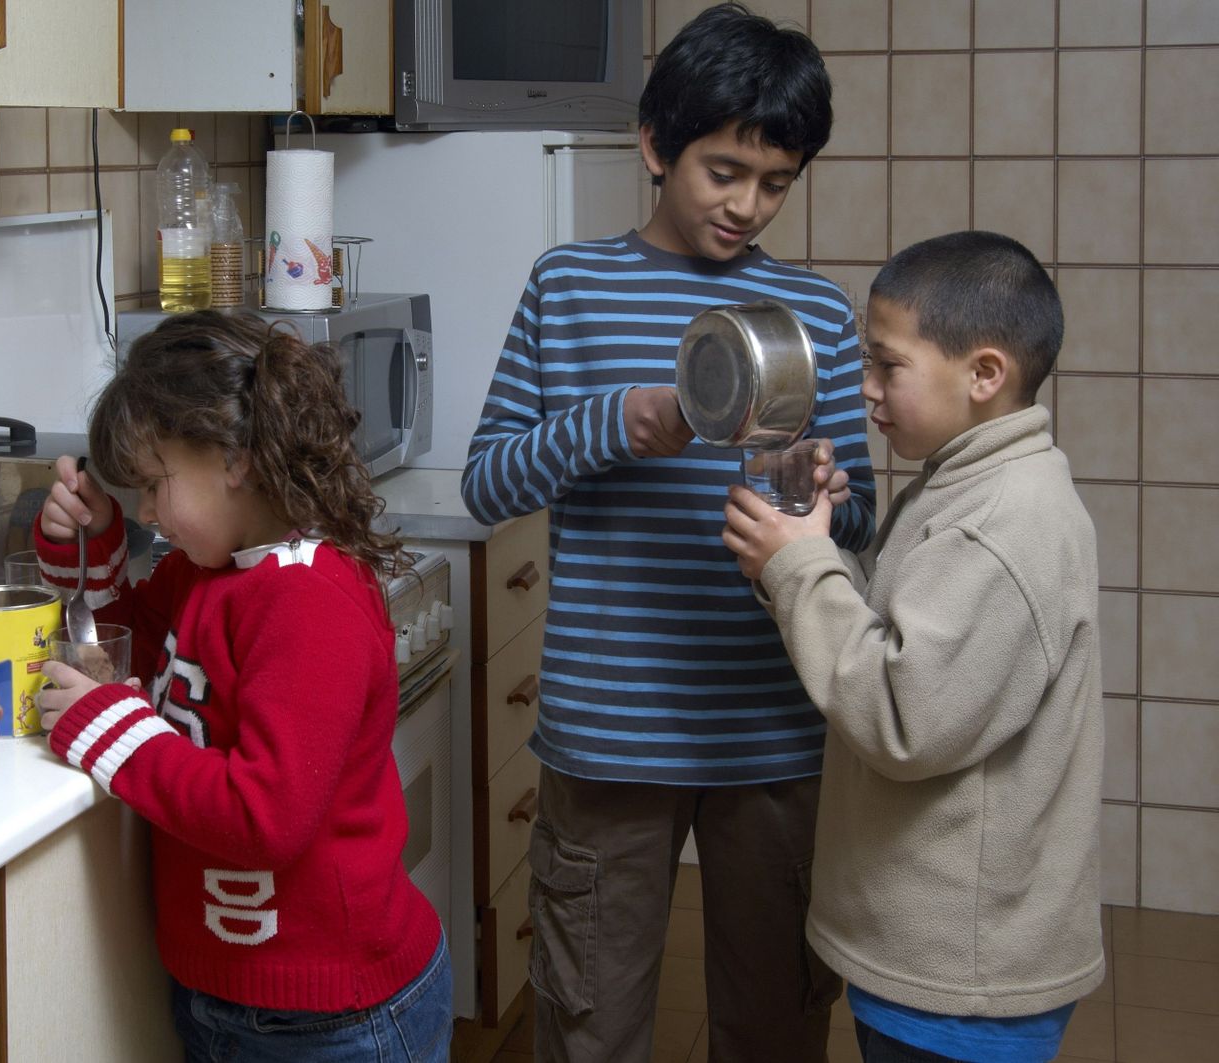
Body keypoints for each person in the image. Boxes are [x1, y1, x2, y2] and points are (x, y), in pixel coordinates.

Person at [459, 4, 876, 1060]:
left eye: (775, 182)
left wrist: (825, 492)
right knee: (590, 1024)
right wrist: (614, 422)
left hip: (773, 727)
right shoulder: (568, 287)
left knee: (776, 1024)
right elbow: (486, 486)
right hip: (609, 732)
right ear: (655, 146)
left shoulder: (816, 314)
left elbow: (862, 515)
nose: (746, 205)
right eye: (722, 171)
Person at [722, 230, 1104, 1063]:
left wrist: (801, 566)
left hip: (963, 982)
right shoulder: (968, 480)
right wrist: (806, 545)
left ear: (984, 374)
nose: (866, 387)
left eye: (888, 365)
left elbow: (903, 715)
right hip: (937, 959)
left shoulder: (1000, 523)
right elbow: (901, 638)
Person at [33, 311, 451, 1062]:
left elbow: (267, 815)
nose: (147, 512)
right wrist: (93, 543)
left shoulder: (308, 599)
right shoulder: (207, 570)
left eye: (154, 484)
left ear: (233, 458)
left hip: (336, 1023)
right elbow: (127, 660)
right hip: (230, 1000)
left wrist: (110, 730)